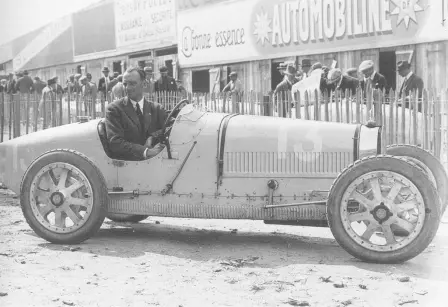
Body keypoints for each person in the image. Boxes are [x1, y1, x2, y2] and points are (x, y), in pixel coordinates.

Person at [105, 67, 167, 161]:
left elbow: (170, 129)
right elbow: (115, 143)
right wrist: (146, 151)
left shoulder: (157, 109)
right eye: (125, 84)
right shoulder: (114, 109)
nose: (127, 88)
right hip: (127, 167)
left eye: (132, 84)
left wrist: (152, 137)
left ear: (144, 84)